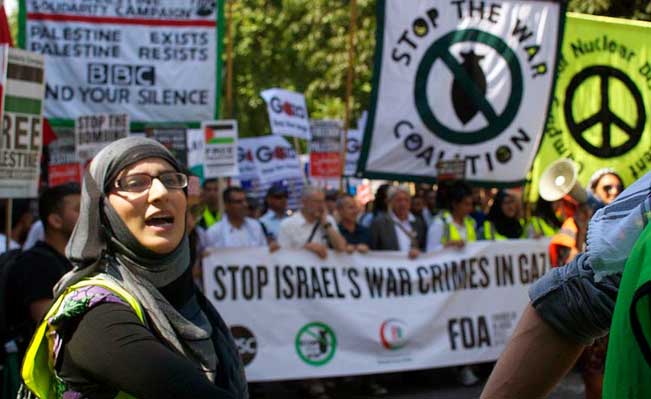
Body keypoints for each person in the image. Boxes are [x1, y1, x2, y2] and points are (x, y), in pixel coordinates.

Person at [19, 137, 247, 398]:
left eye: (171, 180)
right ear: (103, 209)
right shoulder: (92, 316)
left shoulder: (193, 305)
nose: (160, 193)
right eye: (135, 183)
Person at [480, 170, 650, 399]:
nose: (614, 193)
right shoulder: (579, 228)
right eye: (606, 188)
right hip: (600, 337)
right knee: (595, 383)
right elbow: (580, 286)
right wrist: (582, 229)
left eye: (618, 188)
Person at [4, 183, 80, 362]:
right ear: (55, 221)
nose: (87, 215)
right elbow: (53, 325)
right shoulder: (37, 264)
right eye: (78, 209)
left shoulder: (76, 261)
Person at [277, 186, 347, 259]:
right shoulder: (288, 224)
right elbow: (282, 256)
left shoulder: (328, 220)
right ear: (304, 202)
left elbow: (341, 247)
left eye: (323, 201)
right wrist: (305, 249)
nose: (321, 206)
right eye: (317, 202)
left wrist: (326, 223)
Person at [369, 185, 426, 259]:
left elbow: (424, 246)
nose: (403, 204)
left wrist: (419, 252)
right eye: (399, 200)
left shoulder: (418, 223)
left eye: (406, 200)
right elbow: (373, 249)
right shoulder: (379, 224)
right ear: (390, 202)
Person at [426, 181, 476, 252]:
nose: (470, 208)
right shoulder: (440, 223)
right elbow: (430, 252)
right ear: (454, 204)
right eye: (466, 204)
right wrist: (447, 245)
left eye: (471, 204)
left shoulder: (471, 223)